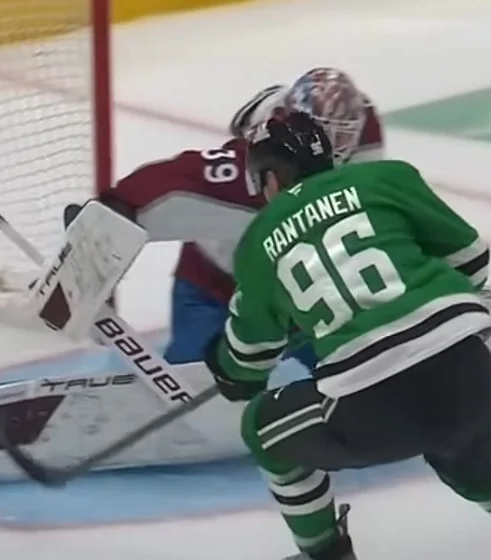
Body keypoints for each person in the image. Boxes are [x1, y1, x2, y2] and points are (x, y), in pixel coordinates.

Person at [202, 112, 491, 560]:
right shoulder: (387, 178)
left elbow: (248, 361)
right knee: (477, 466)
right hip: (467, 366)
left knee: (264, 427)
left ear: (269, 179)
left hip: (374, 404)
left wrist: (229, 367)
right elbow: (472, 260)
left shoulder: (259, 240)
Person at [163, 67, 384, 369]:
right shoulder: (263, 136)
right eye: (321, 132)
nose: (330, 144)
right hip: (214, 279)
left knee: (348, 372)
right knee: (187, 381)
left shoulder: (365, 128)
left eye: (341, 135)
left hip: (297, 290)